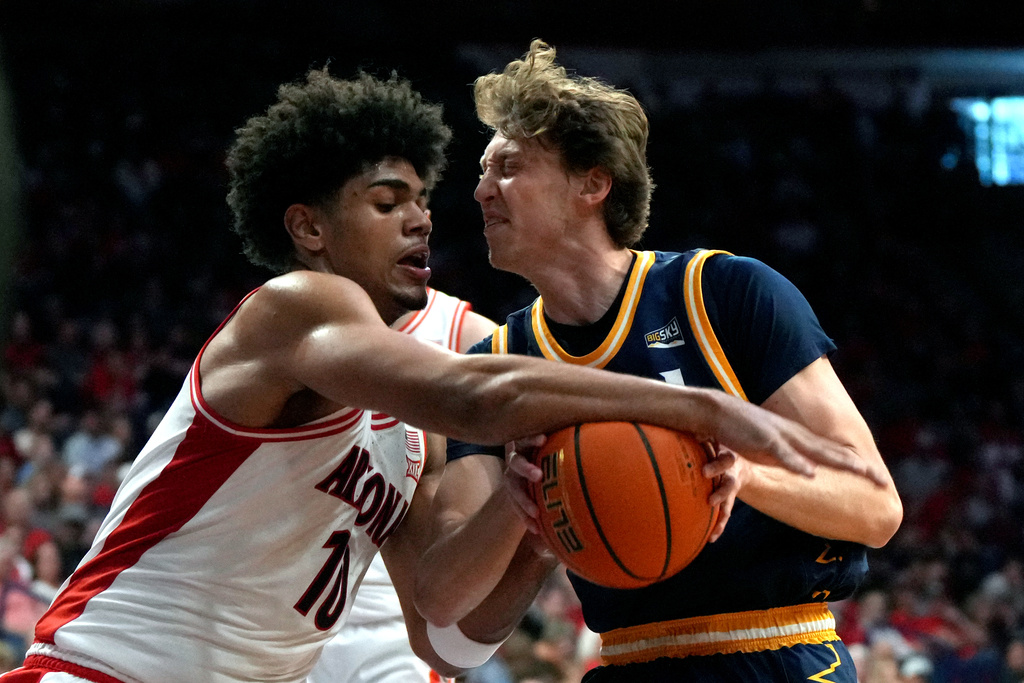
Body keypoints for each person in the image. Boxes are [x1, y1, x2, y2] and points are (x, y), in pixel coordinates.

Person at [3, 67, 880, 683]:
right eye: (389, 204)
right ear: (310, 229)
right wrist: (696, 411)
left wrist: (537, 524)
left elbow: (451, 640)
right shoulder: (296, 306)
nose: (428, 219)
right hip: (104, 668)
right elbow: (478, 395)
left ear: (594, 184)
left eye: (424, 199)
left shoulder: (403, 428)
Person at [414, 40, 904, 682]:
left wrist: (743, 478)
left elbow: (877, 508)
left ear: (592, 183)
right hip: (630, 661)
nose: (480, 191)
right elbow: (441, 599)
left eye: (508, 167)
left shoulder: (726, 294)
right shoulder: (498, 361)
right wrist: (515, 506)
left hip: (779, 652)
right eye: (482, 172)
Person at [307, 286, 496, 683]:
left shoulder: (466, 335)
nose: (418, 221)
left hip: (397, 626)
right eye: (386, 216)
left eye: (424, 216)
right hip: (291, 627)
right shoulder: (295, 327)